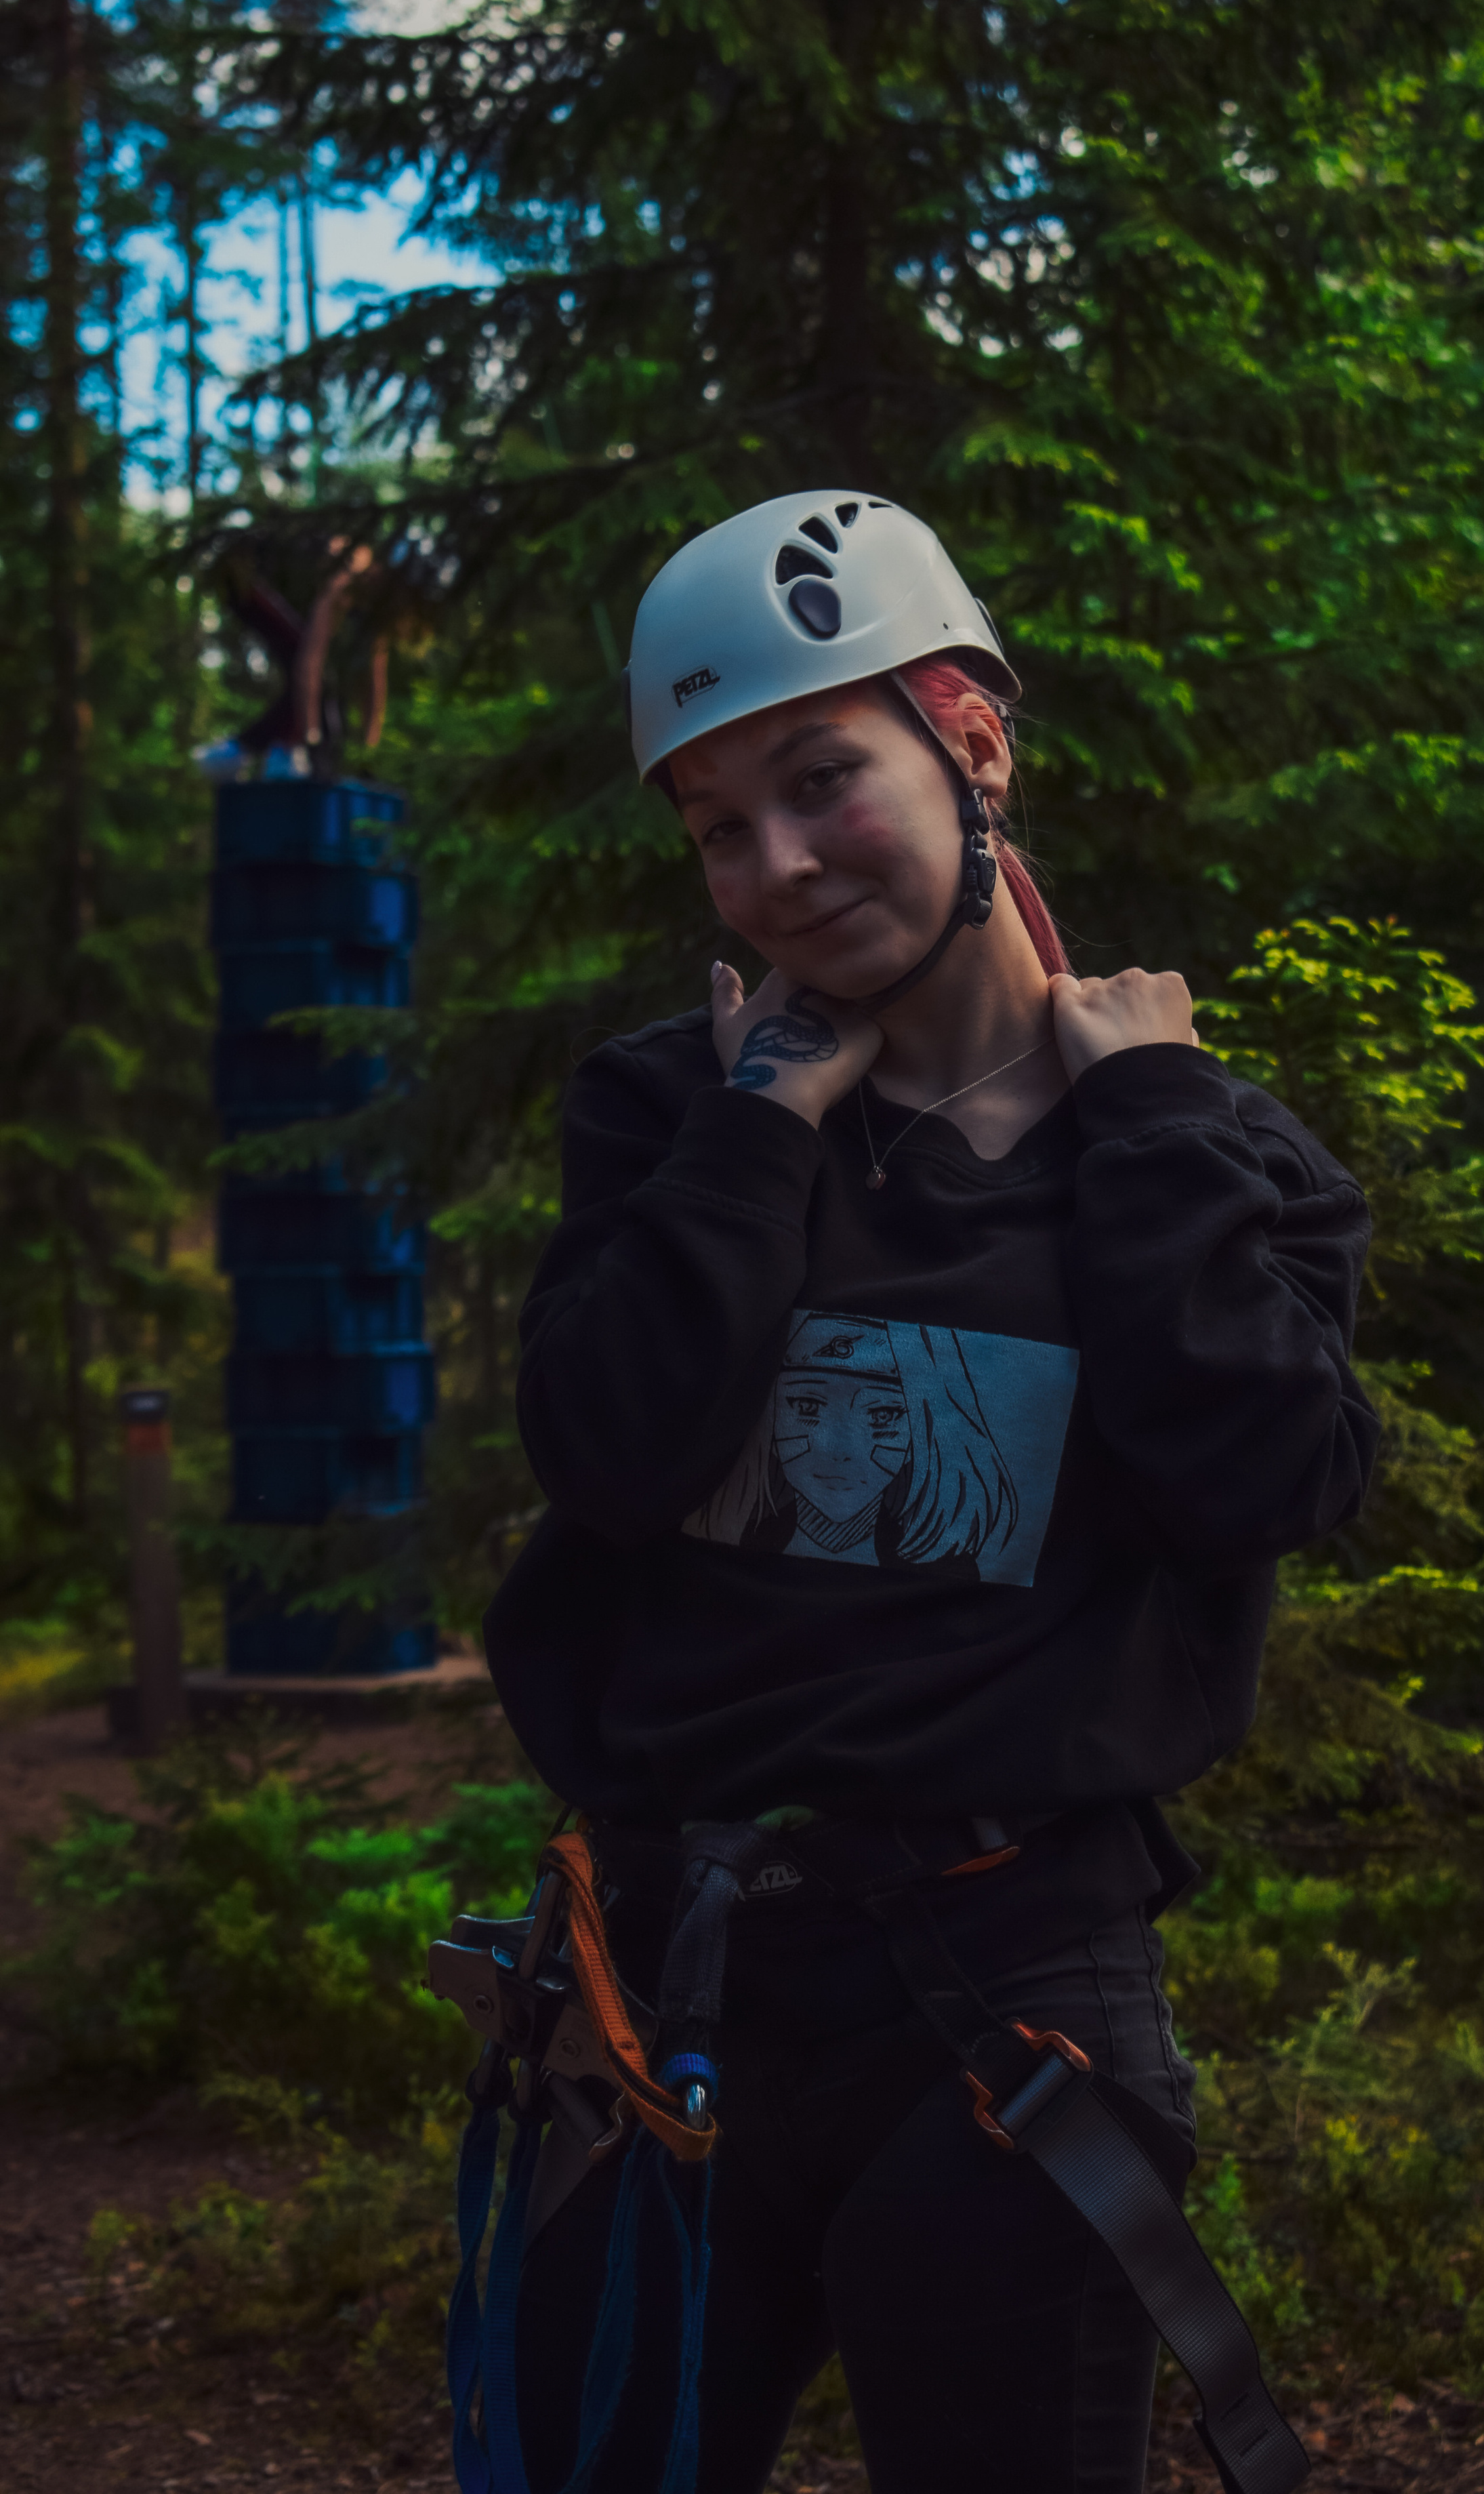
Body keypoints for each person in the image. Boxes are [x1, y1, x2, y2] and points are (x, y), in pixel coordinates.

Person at [483, 491, 1380, 2494]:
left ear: (970, 740)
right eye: (719, 826)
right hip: (668, 1987)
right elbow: (612, 1450)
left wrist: (1146, 1121)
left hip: (1004, 1998)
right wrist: (758, 1136)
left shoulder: (1203, 1151)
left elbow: (1260, 1480)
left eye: (823, 783)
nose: (777, 868)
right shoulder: (668, 1112)